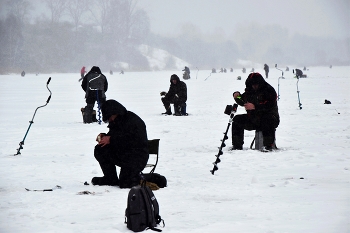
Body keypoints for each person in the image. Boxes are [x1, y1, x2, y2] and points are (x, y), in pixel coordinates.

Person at [92, 99, 149, 188]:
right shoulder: (115, 121)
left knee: (126, 183)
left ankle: (154, 178)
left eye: (110, 116)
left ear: (116, 112)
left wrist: (111, 139)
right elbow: (115, 136)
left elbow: (132, 140)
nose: (109, 119)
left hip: (137, 156)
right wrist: (105, 137)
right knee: (100, 149)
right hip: (123, 154)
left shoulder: (133, 120)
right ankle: (110, 178)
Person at [231, 73, 279, 151]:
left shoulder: (269, 90)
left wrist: (255, 107)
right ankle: (237, 146)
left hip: (270, 118)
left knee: (267, 119)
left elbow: (269, 105)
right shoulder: (249, 91)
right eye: (253, 84)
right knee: (237, 119)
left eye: (256, 84)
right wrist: (237, 96)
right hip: (254, 118)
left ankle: (268, 146)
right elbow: (242, 100)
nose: (254, 86)